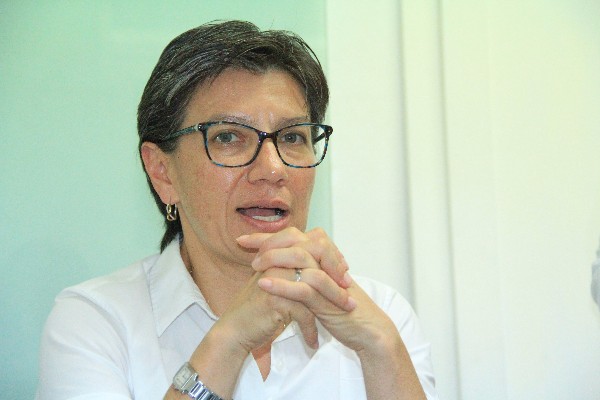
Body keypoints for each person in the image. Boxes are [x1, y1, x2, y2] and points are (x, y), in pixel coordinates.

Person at [36, 20, 438, 400]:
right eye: (228, 137)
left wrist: (382, 350)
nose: (273, 169)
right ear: (163, 172)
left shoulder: (380, 317)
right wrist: (230, 340)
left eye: (293, 137)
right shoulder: (96, 322)